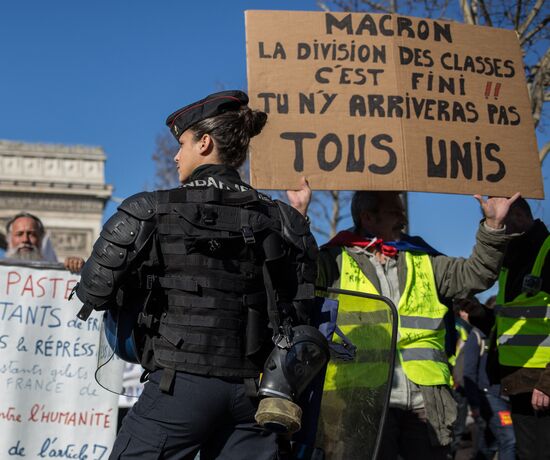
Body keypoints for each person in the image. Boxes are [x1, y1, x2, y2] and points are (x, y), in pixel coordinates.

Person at [74, 90, 323, 460]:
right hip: (256, 394)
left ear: (204, 143)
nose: (176, 155)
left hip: (178, 388)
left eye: (182, 144)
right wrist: (298, 215)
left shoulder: (148, 210)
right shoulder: (283, 221)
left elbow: (93, 291)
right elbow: (305, 307)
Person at [287, 186, 519, 460]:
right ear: (367, 217)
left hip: (425, 404)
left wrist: (493, 225)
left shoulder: (424, 259)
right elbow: (296, 274)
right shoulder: (334, 259)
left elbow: (476, 275)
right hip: (360, 404)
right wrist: (298, 215)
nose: (403, 218)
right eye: (394, 212)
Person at [460, 198, 550, 460]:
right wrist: (480, 315)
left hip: (541, 384)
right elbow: (511, 323)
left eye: (498, 220)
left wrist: (547, 381)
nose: (494, 227)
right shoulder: (512, 259)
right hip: (520, 383)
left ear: (519, 216)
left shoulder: (545, 251)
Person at [459, 297, 516, 460]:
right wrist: (475, 404)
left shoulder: (506, 335)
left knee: (490, 444)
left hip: (505, 395)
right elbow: (469, 373)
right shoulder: (476, 336)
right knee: (509, 439)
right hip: (489, 397)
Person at [4, 212, 84, 273]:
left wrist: (77, 267)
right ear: (9, 239)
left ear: (41, 239)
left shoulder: (56, 276)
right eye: (19, 234)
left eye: (32, 234)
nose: (25, 239)